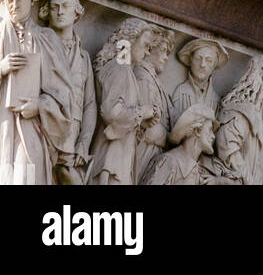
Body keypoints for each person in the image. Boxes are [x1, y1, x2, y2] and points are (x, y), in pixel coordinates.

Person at [0, 0, 71, 185]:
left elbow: (63, 94)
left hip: (32, 126)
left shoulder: (47, 39)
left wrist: (40, 107)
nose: (13, 4)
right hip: (0, 126)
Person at [37, 0, 96, 184]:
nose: (60, 12)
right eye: (54, 7)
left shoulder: (83, 56)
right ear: (47, 12)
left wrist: (84, 142)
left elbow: (90, 104)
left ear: (76, 12)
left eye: (65, 7)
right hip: (44, 124)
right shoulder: (40, 44)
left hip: (73, 132)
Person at [90, 18, 156, 184]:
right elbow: (112, 112)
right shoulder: (119, 68)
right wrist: (144, 112)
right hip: (111, 162)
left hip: (117, 159)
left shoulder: (125, 70)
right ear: (131, 40)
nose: (148, 52)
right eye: (146, 45)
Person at [214, 56, 263, 184]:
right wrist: (249, 180)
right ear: (258, 82)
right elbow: (227, 148)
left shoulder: (259, 116)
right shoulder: (239, 109)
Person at [134, 26, 174, 184]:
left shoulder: (154, 81)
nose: (166, 58)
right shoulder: (143, 77)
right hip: (143, 150)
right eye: (163, 50)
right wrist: (173, 138)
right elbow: (146, 127)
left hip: (153, 152)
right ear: (150, 49)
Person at [145, 105, 216, 186]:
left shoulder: (199, 170)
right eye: (210, 130)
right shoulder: (170, 162)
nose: (213, 136)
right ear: (197, 131)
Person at [169, 37, 228, 126]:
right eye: (198, 58)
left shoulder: (216, 100)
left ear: (214, 66)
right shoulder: (181, 92)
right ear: (190, 61)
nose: (202, 65)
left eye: (209, 61)